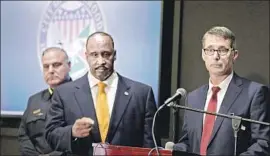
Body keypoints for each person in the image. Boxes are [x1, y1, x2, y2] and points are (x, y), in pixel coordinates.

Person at [45, 32, 159, 156]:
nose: (101, 61)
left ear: (114, 55)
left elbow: (151, 146)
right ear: (86, 56)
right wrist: (71, 132)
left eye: (106, 54)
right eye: (94, 55)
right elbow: (51, 134)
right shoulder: (64, 93)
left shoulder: (141, 94)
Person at [173, 26, 270, 155]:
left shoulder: (255, 93)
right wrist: (171, 151)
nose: (216, 56)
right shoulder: (193, 98)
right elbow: (187, 142)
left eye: (223, 50)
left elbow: (263, 143)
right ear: (203, 54)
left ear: (234, 55)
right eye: (210, 50)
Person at [18, 47, 72, 156]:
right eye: (46, 67)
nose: (51, 70)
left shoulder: (82, 97)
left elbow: (80, 137)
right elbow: (23, 135)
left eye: (56, 65)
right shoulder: (34, 100)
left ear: (69, 66)